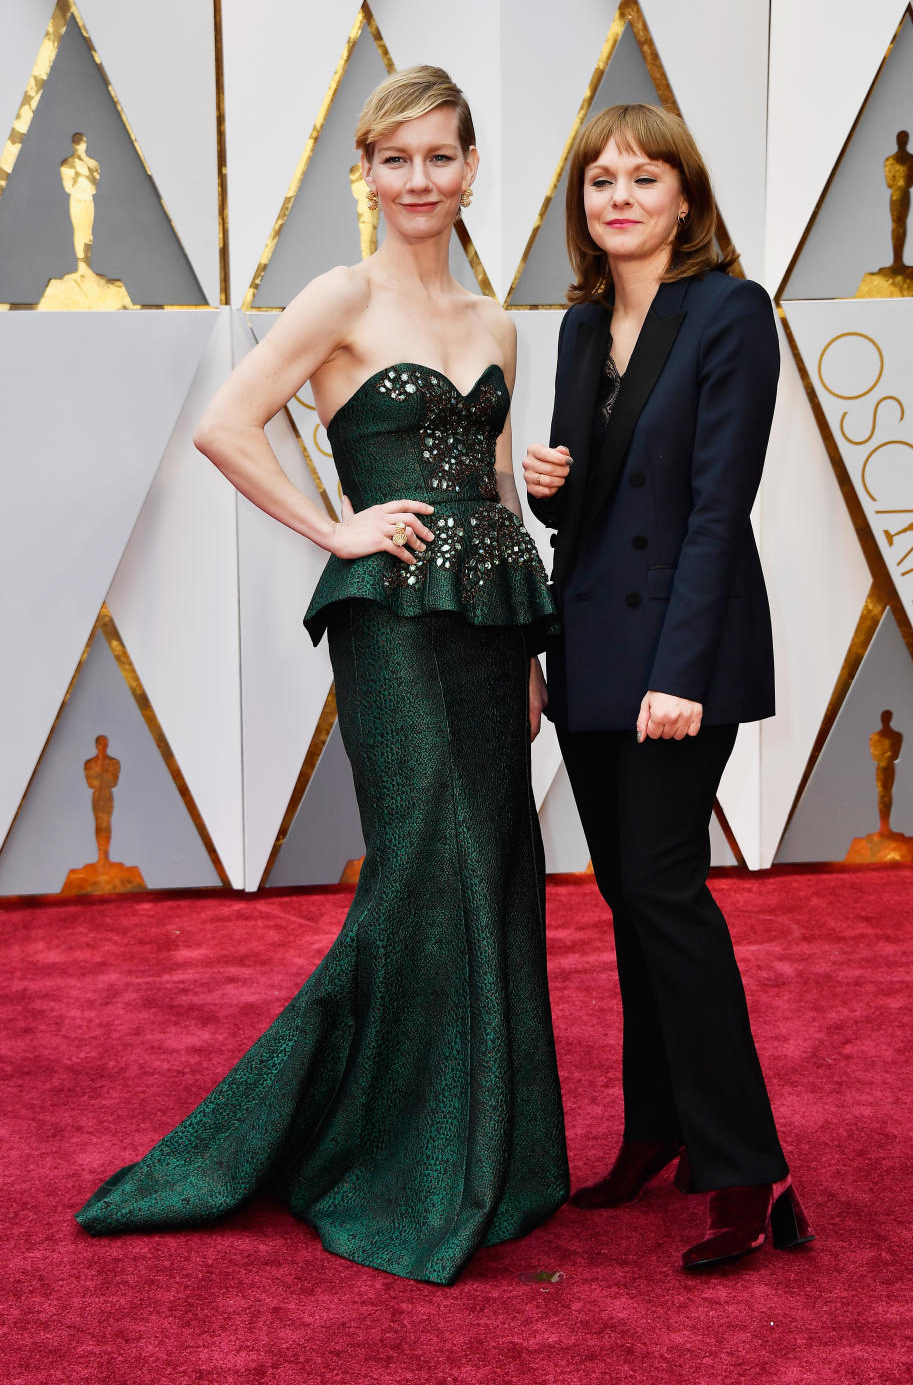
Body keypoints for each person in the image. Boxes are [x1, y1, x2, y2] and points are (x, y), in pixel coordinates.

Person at [76, 65, 568, 1285]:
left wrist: (534, 657)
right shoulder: (338, 295)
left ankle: (483, 1150)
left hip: (496, 617)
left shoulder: (496, 320)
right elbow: (227, 424)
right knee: (426, 868)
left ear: (468, 170)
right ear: (366, 171)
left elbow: (499, 488)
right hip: (393, 617)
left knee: (498, 866)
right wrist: (335, 525)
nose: (419, 180)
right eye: (395, 159)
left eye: (441, 157)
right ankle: (340, 1146)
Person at [523, 103, 813, 1270]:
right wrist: (549, 485)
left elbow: (712, 505)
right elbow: (583, 519)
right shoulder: (581, 327)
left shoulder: (730, 313)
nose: (622, 197)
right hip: (590, 656)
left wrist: (679, 675)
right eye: (601, 180)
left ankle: (751, 1169)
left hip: (680, 658)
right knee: (628, 901)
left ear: (685, 198)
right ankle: (660, 1128)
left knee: (663, 889)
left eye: (646, 178)